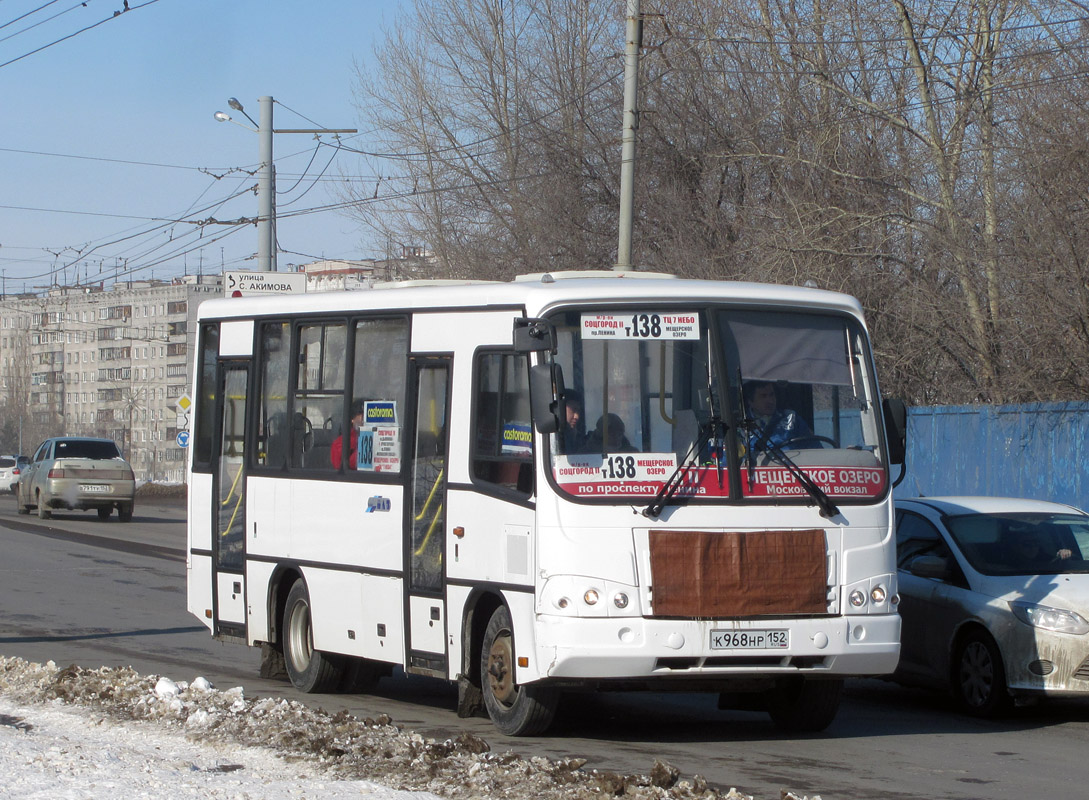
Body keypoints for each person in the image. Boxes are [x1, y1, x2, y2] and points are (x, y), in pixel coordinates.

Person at [743, 380, 814, 451]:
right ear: (750, 401)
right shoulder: (742, 426)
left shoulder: (792, 418)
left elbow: (814, 447)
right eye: (763, 396)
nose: (770, 401)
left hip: (791, 461)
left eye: (772, 395)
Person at [331, 399, 366, 469]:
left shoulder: (381, 437)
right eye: (363, 416)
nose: (365, 420)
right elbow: (340, 466)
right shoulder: (341, 442)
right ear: (352, 419)